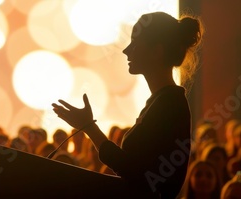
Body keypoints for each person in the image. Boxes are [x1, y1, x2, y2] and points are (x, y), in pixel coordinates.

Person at [52, 12, 202, 198]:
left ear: (157, 51)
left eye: (135, 43)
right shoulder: (163, 101)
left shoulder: (169, 104)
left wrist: (89, 127)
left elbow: (138, 174)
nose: (126, 51)